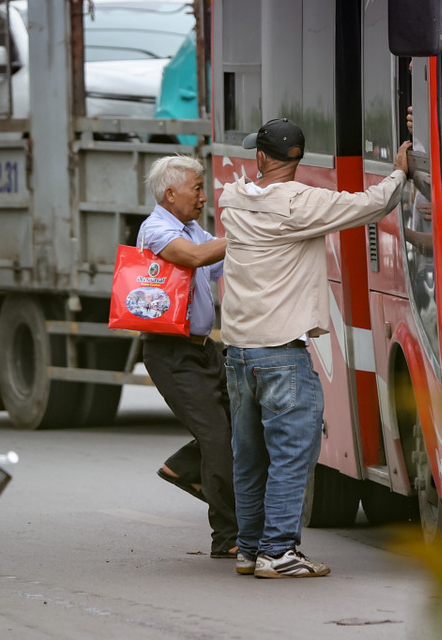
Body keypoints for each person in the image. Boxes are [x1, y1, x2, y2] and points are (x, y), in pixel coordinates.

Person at [219, 118, 411, 578]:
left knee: (249, 456)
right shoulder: (303, 204)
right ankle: (279, 552)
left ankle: (248, 549)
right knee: (291, 454)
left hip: (238, 353)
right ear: (298, 158)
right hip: (282, 355)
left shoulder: (233, 199)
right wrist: (400, 171)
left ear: (262, 158)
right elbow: (370, 205)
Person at [138, 155, 239, 559]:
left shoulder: (193, 227)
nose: (202, 196)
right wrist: (250, 234)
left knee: (238, 424)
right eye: (197, 189)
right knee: (217, 438)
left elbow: (218, 267)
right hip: (171, 352)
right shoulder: (157, 229)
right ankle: (227, 536)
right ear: (170, 193)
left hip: (204, 349)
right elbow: (196, 258)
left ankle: (183, 466)